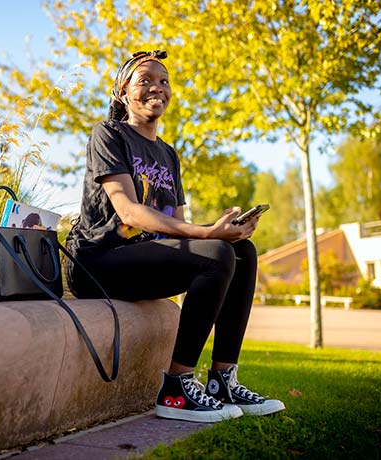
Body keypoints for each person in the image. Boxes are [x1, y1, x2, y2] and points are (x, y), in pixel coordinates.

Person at [64, 50, 285, 423]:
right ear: (122, 92)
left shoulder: (168, 154)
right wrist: (207, 235)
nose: (157, 88)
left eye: (164, 81)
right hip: (98, 261)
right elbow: (130, 212)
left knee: (240, 250)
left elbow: (176, 225)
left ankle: (222, 380)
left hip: (142, 257)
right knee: (216, 251)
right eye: (145, 80)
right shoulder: (109, 134)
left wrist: (222, 233)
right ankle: (177, 388)